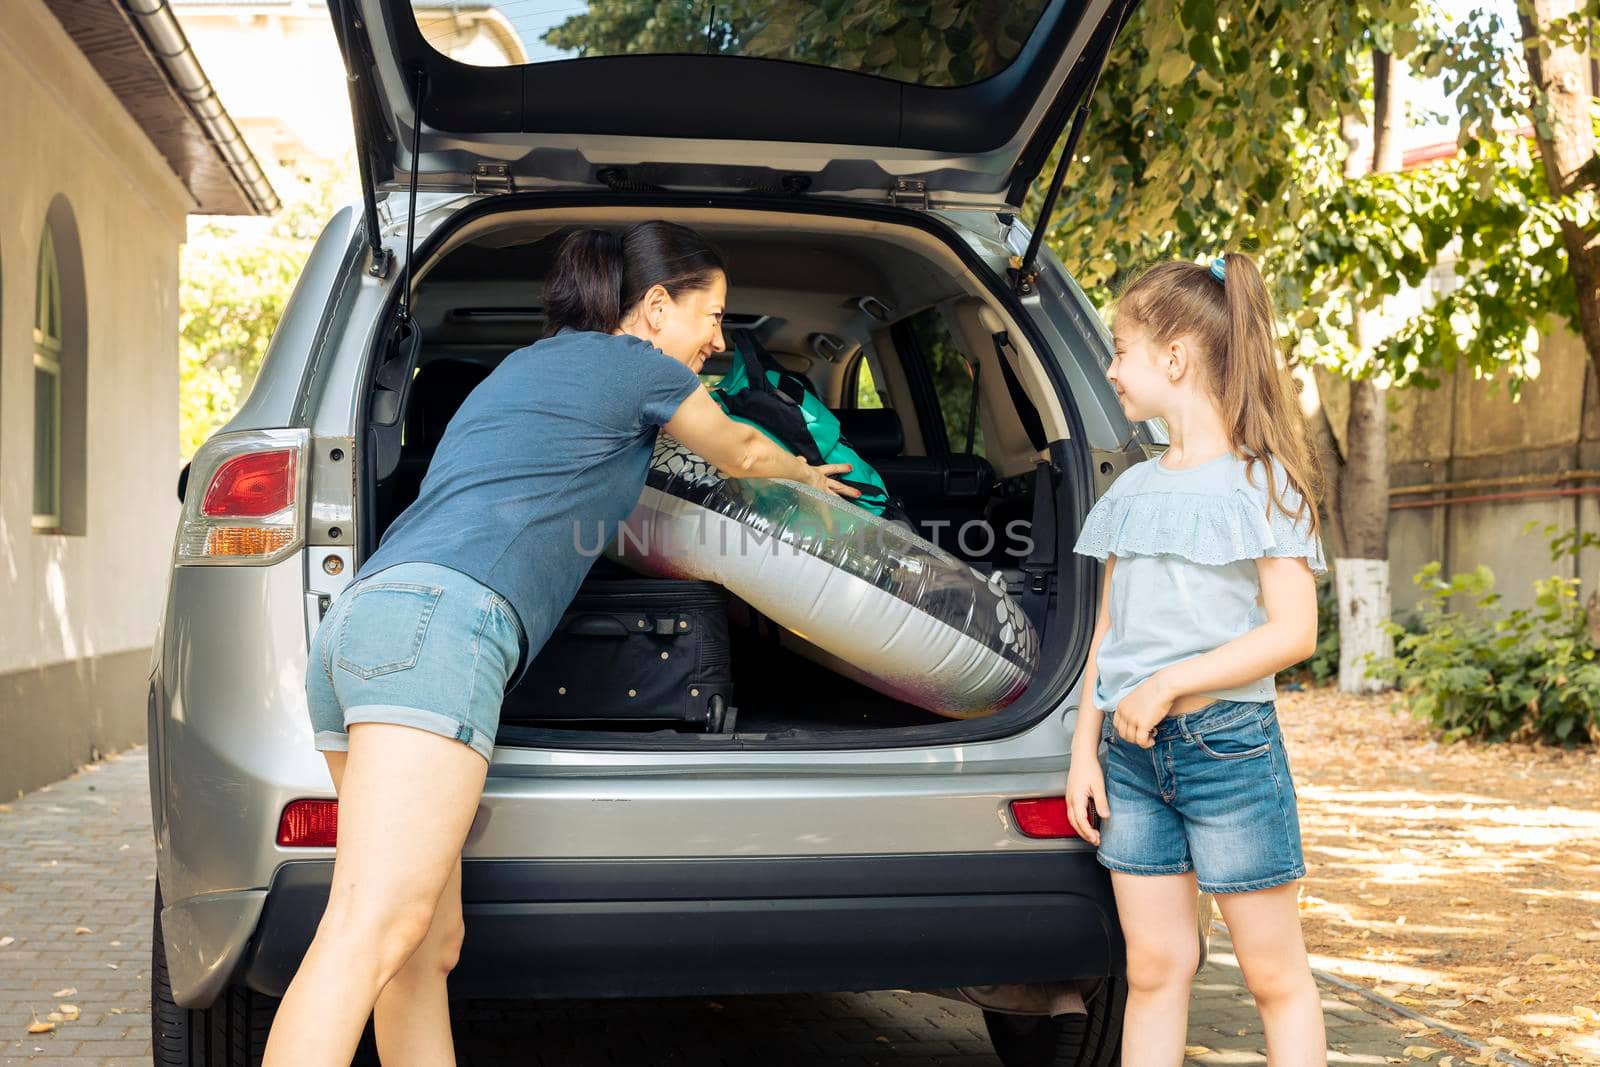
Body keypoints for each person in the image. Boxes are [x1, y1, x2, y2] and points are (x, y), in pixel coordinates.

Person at [266, 221, 859, 1066]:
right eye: (713, 315)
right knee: (368, 928)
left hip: (364, 625)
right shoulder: (639, 368)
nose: (720, 340)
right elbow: (740, 447)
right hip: (441, 630)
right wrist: (809, 474)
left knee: (423, 948)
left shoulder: (531, 366)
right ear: (657, 307)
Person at [1064, 253, 1329, 1066]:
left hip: (1230, 751)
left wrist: (1172, 681)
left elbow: (1294, 633)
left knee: (1272, 972)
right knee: (1154, 968)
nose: (1108, 368)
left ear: (1173, 358)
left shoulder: (1263, 482)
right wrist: (1083, 753)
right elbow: (1108, 635)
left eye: (1118, 348)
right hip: (1132, 761)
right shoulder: (1131, 491)